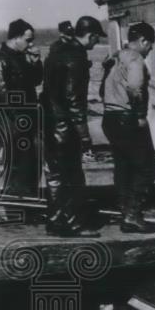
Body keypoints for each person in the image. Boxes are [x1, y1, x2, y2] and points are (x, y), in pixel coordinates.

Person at [41, 15, 106, 236]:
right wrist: (85, 136)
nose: (96, 44)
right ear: (91, 35)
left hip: (50, 125)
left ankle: (56, 221)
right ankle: (75, 225)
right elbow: (75, 101)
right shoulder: (76, 58)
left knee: (55, 177)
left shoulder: (55, 53)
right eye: (96, 39)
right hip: (65, 128)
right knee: (73, 177)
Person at [101, 21, 155, 233]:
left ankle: (125, 211)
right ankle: (133, 215)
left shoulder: (115, 56)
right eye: (150, 44)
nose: (150, 49)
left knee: (123, 166)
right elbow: (135, 87)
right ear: (143, 41)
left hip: (110, 117)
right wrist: (141, 115)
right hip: (128, 117)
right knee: (145, 168)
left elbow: (102, 88)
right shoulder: (135, 59)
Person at [0, 19, 43, 196]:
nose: (31, 43)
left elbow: (36, 81)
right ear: (16, 38)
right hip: (12, 122)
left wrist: (36, 61)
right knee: (17, 165)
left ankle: (27, 205)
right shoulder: (0, 60)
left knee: (30, 164)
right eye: (28, 39)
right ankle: (16, 206)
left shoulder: (21, 59)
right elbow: (1, 93)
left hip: (24, 119)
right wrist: (18, 118)